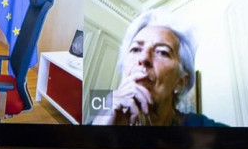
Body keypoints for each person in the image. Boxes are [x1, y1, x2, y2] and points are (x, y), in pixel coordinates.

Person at [93, 9, 226, 126]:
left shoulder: (204, 129)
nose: (144, 58)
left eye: (162, 52)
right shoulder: (100, 121)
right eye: (135, 49)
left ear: (180, 81)